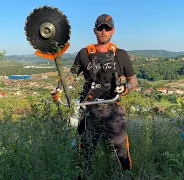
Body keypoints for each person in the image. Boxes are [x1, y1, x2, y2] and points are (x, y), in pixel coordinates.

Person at [52, 14, 138, 178]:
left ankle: (125, 176)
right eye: (100, 28)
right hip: (90, 110)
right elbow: (70, 75)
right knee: (85, 152)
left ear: (113, 30)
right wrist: (59, 88)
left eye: (107, 28)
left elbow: (133, 80)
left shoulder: (121, 55)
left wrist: (126, 87)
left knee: (121, 152)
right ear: (95, 30)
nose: (103, 31)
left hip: (113, 110)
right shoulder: (84, 54)